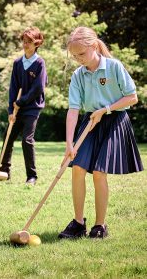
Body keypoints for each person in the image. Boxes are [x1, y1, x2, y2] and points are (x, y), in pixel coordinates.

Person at [58, 26, 143, 239]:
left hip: (114, 119)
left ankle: (100, 226)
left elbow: (132, 97)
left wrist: (105, 109)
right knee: (77, 167)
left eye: (82, 54)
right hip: (90, 122)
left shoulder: (114, 67)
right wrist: (69, 142)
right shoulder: (78, 75)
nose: (79, 59)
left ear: (94, 45)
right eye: (75, 56)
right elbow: (73, 110)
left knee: (98, 171)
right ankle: (78, 223)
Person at [0, 26, 48, 185]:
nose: (25, 44)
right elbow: (13, 87)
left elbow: (38, 88)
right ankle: (4, 171)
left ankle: (31, 176)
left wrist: (21, 101)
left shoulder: (40, 63)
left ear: (37, 43)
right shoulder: (18, 63)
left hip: (32, 108)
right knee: (8, 136)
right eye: (24, 41)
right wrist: (10, 109)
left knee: (27, 140)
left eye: (29, 42)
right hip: (17, 109)